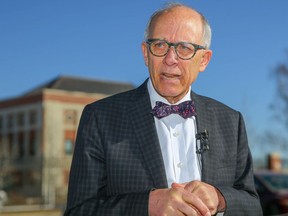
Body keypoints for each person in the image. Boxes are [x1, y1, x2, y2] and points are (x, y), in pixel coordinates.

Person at [64, 3, 262, 216]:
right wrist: (149, 205)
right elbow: (78, 211)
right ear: (146, 53)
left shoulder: (231, 121)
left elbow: (253, 205)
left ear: (204, 60)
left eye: (185, 48)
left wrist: (220, 198)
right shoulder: (99, 118)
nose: (170, 59)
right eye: (160, 45)